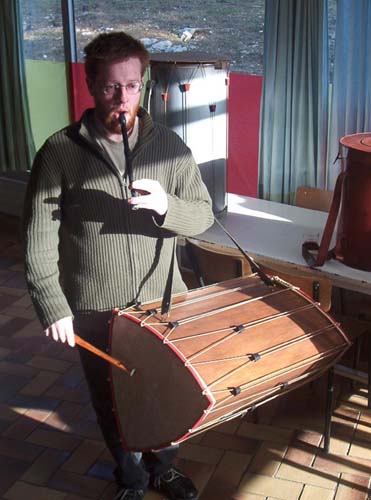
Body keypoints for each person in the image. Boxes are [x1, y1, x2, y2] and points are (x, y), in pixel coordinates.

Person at [23, 31, 214, 500]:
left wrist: (168, 205)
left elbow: (204, 217)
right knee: (112, 401)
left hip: (162, 299)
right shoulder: (59, 153)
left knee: (166, 392)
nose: (122, 99)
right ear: (91, 85)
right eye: (111, 87)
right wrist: (54, 308)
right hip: (95, 307)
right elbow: (37, 241)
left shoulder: (170, 147)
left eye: (132, 86)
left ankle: (163, 467)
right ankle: (129, 477)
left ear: (143, 85)